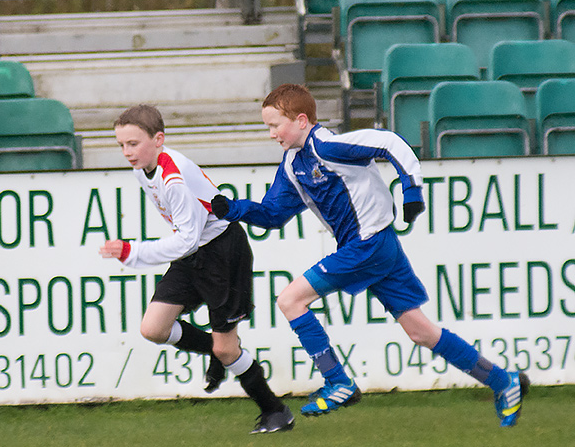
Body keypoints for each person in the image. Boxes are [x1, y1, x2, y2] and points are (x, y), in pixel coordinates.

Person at [210, 83, 529, 427]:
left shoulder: (328, 144)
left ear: (301, 120)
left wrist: (411, 189)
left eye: (275, 125)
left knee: (290, 300)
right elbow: (273, 214)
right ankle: (503, 381)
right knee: (421, 332)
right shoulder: (292, 164)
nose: (271, 133)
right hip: (375, 247)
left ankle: (337, 381)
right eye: (268, 127)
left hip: (368, 244)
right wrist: (233, 209)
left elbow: (389, 142)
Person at [99, 104, 294, 434]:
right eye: (121, 145)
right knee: (154, 329)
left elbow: (186, 240)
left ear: (158, 139)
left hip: (223, 253)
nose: (126, 152)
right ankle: (215, 352)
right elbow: (187, 241)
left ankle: (275, 412)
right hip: (195, 254)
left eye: (133, 144)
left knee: (227, 348)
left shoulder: (172, 176)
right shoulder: (143, 170)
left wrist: (133, 251)